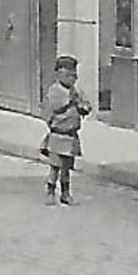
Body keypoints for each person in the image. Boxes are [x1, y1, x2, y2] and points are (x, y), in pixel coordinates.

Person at [41, 55, 92, 206]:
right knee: (55, 167)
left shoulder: (76, 91)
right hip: (58, 134)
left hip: (71, 136)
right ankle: (50, 191)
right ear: (59, 75)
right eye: (68, 75)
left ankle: (65, 193)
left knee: (66, 168)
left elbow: (85, 106)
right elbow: (56, 107)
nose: (72, 79)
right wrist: (71, 100)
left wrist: (84, 107)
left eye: (74, 76)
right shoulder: (55, 91)